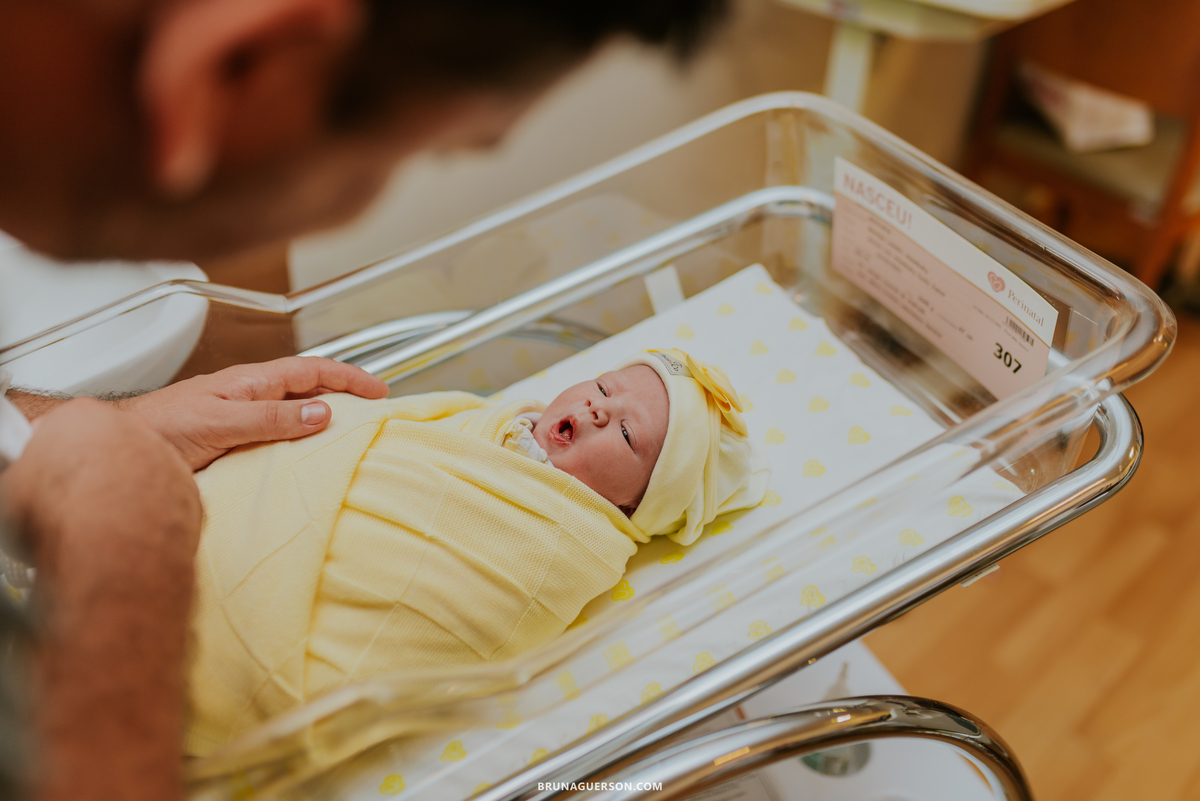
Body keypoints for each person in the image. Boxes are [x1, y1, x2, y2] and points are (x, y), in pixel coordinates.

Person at [0, 1, 727, 799]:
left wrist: (84, 427)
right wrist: (121, 572)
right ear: (238, 67)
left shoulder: (565, 537)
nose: (365, 202)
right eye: (426, 153)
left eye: (627, 436)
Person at [182, 349, 768, 753]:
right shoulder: (490, 420)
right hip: (262, 494)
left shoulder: (565, 542)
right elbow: (398, 428)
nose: (600, 407)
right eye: (604, 386)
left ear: (632, 508)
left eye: (626, 433)